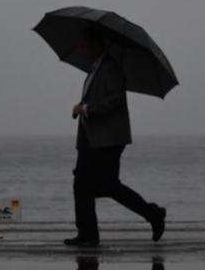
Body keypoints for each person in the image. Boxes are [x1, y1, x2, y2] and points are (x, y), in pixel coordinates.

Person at [63, 25, 166, 247]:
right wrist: (81, 106)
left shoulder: (110, 68)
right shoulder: (95, 69)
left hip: (107, 139)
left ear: (95, 44)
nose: (81, 48)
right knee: (89, 185)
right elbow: (97, 99)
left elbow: (115, 100)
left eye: (84, 44)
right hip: (91, 138)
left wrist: (87, 109)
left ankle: (151, 215)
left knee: (99, 185)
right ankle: (89, 233)